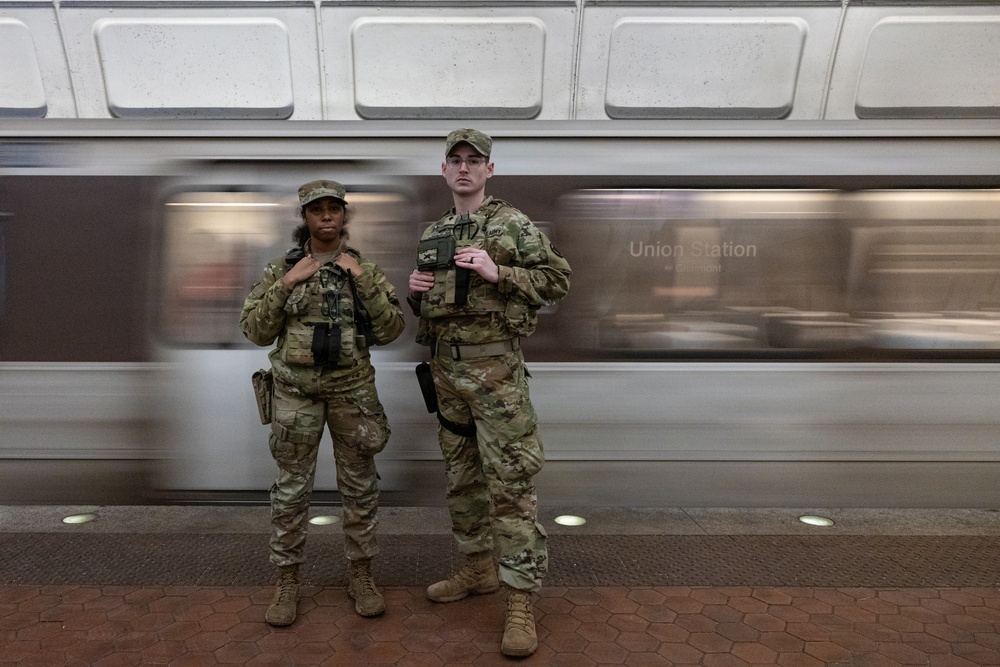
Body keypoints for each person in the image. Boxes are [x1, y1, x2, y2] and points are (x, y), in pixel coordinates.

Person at [407, 129, 571, 657]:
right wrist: (416, 294)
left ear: (489, 170)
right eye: (455, 160)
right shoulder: (435, 231)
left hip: (498, 376)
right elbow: (435, 310)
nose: (464, 168)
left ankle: (519, 598)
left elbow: (558, 280)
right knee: (461, 481)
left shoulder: (513, 223)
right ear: (443, 169)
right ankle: (477, 569)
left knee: (511, 487)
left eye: (474, 160)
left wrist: (499, 272)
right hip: (449, 377)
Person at [240, 180, 405, 626]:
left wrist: (362, 281)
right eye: (318, 210)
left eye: (335, 208)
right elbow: (254, 330)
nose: (327, 216)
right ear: (306, 218)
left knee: (360, 487)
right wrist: (288, 283)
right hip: (296, 394)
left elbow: (392, 329)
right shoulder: (282, 269)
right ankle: (288, 580)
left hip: (353, 392)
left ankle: (362, 575)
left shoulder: (363, 268)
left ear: (345, 216)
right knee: (292, 491)